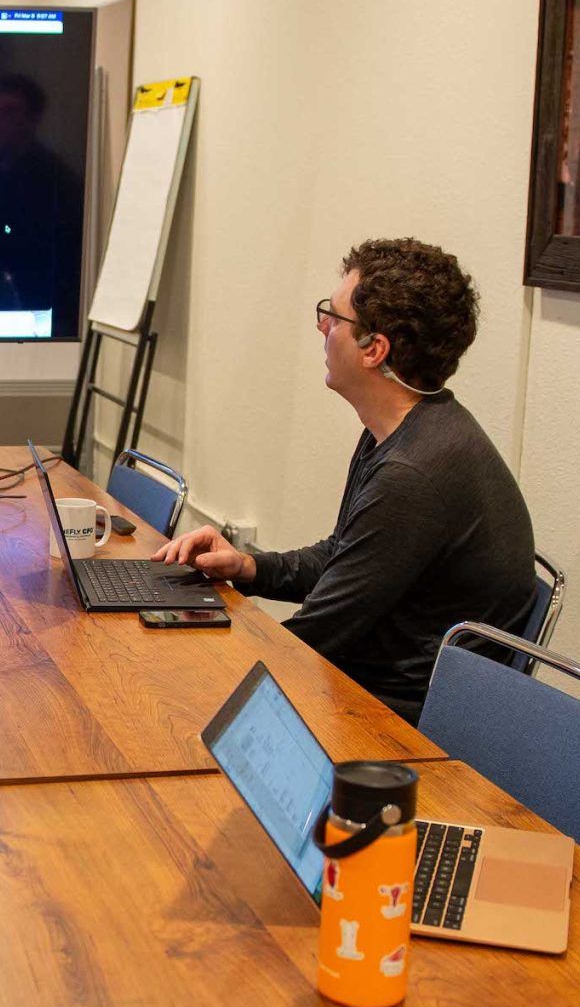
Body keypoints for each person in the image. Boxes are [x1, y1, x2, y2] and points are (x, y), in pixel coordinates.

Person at [153, 238, 533, 722]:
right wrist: (248, 566)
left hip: (389, 721)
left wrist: (177, 664)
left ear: (374, 350)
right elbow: (344, 556)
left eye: (333, 317)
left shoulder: (413, 474)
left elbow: (318, 637)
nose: (322, 327)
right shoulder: (403, 428)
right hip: (360, 684)